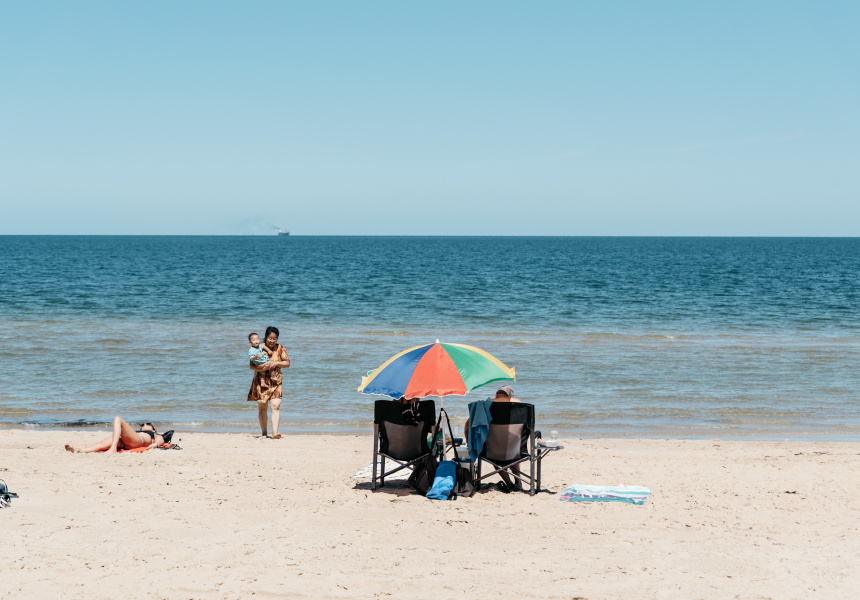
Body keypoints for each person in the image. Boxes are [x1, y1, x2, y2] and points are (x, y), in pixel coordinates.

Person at [464, 385, 523, 491]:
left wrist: (469, 442)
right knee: (514, 452)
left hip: (493, 451)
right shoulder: (518, 403)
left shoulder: (486, 405)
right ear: (510, 395)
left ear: (497, 394)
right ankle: (518, 483)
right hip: (516, 450)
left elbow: (468, 424)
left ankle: (509, 484)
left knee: (497, 459)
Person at [247, 325, 290, 439]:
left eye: (274, 338)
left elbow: (287, 363)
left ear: (277, 338)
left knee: (275, 406)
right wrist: (262, 368)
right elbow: (251, 365)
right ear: (265, 337)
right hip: (260, 381)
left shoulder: (280, 348)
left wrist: (276, 363)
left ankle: (275, 433)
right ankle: (264, 433)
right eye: (270, 338)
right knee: (262, 408)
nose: (272, 340)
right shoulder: (258, 347)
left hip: (276, 381)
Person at [64, 417, 170, 454]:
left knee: (117, 419)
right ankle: (79, 450)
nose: (145, 425)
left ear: (154, 428)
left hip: (138, 441)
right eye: (142, 425)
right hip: (126, 442)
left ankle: (113, 448)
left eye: (148, 424)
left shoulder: (155, 434)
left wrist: (155, 445)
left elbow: (160, 440)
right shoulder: (135, 433)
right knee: (100, 444)